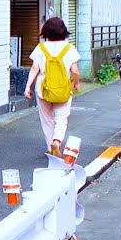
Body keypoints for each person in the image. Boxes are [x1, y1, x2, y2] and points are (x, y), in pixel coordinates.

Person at [23, 17, 81, 156]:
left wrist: (27, 87)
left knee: (47, 120)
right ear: (63, 31)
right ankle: (57, 141)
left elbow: (34, 69)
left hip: (43, 90)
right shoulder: (69, 48)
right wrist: (76, 82)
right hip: (62, 89)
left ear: (46, 31)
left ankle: (50, 147)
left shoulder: (41, 48)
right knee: (61, 118)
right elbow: (74, 70)